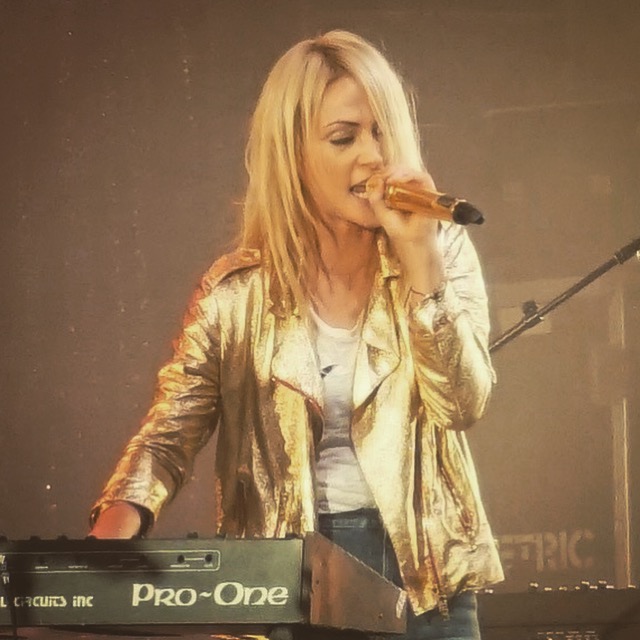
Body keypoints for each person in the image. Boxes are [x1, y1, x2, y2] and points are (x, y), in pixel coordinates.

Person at [89, 29, 503, 640]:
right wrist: (101, 547)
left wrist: (420, 259)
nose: (372, 155)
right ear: (292, 154)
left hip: (424, 576)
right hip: (284, 580)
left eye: (382, 131)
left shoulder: (439, 251)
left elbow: (462, 404)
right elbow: (168, 435)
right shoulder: (236, 294)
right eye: (344, 137)